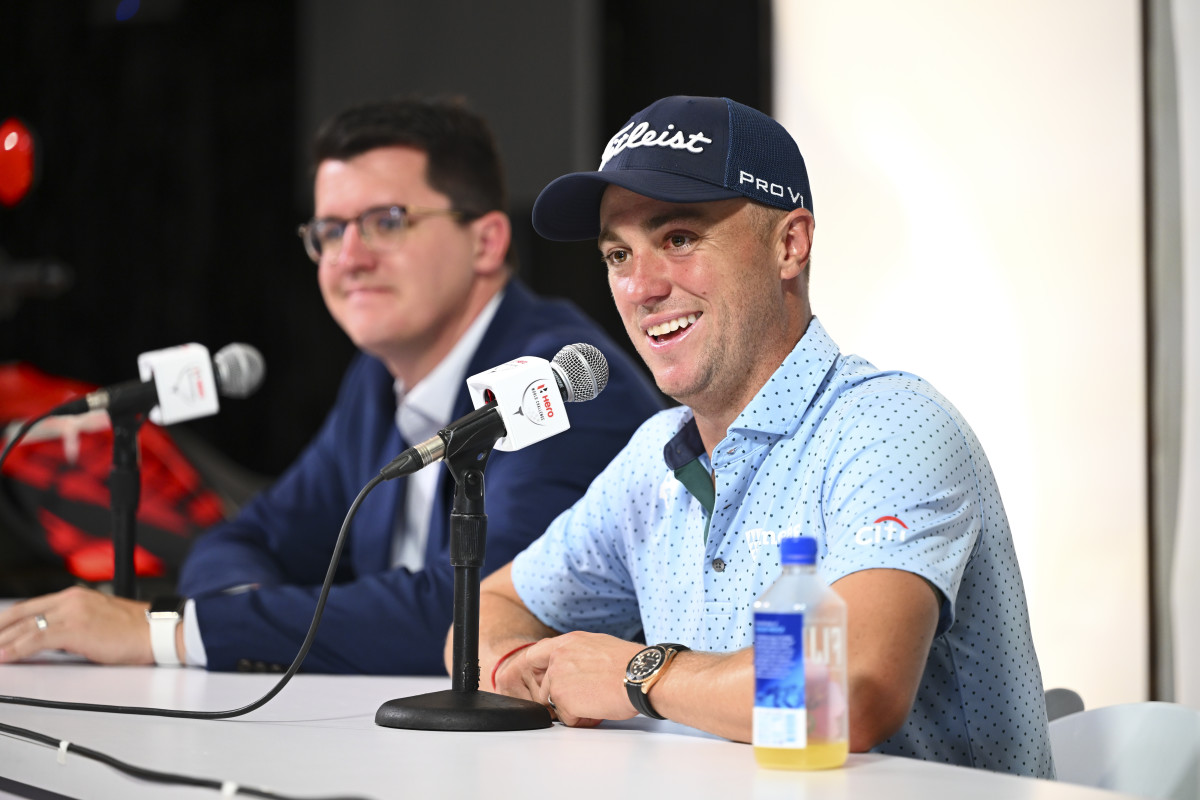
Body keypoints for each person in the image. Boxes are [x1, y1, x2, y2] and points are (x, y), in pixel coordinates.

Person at [467, 95, 1054, 777]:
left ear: (789, 245)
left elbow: (847, 693)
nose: (641, 286)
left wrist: (638, 675)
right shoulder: (653, 459)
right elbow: (491, 606)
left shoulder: (890, 424)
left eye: (679, 239)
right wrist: (521, 672)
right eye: (618, 253)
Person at [0, 97, 662, 673]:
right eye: (329, 231)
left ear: (487, 242)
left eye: (386, 221)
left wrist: (172, 634)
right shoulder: (377, 377)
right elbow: (245, 541)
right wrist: (239, 621)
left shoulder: (559, 383)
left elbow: (483, 613)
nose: (349, 257)